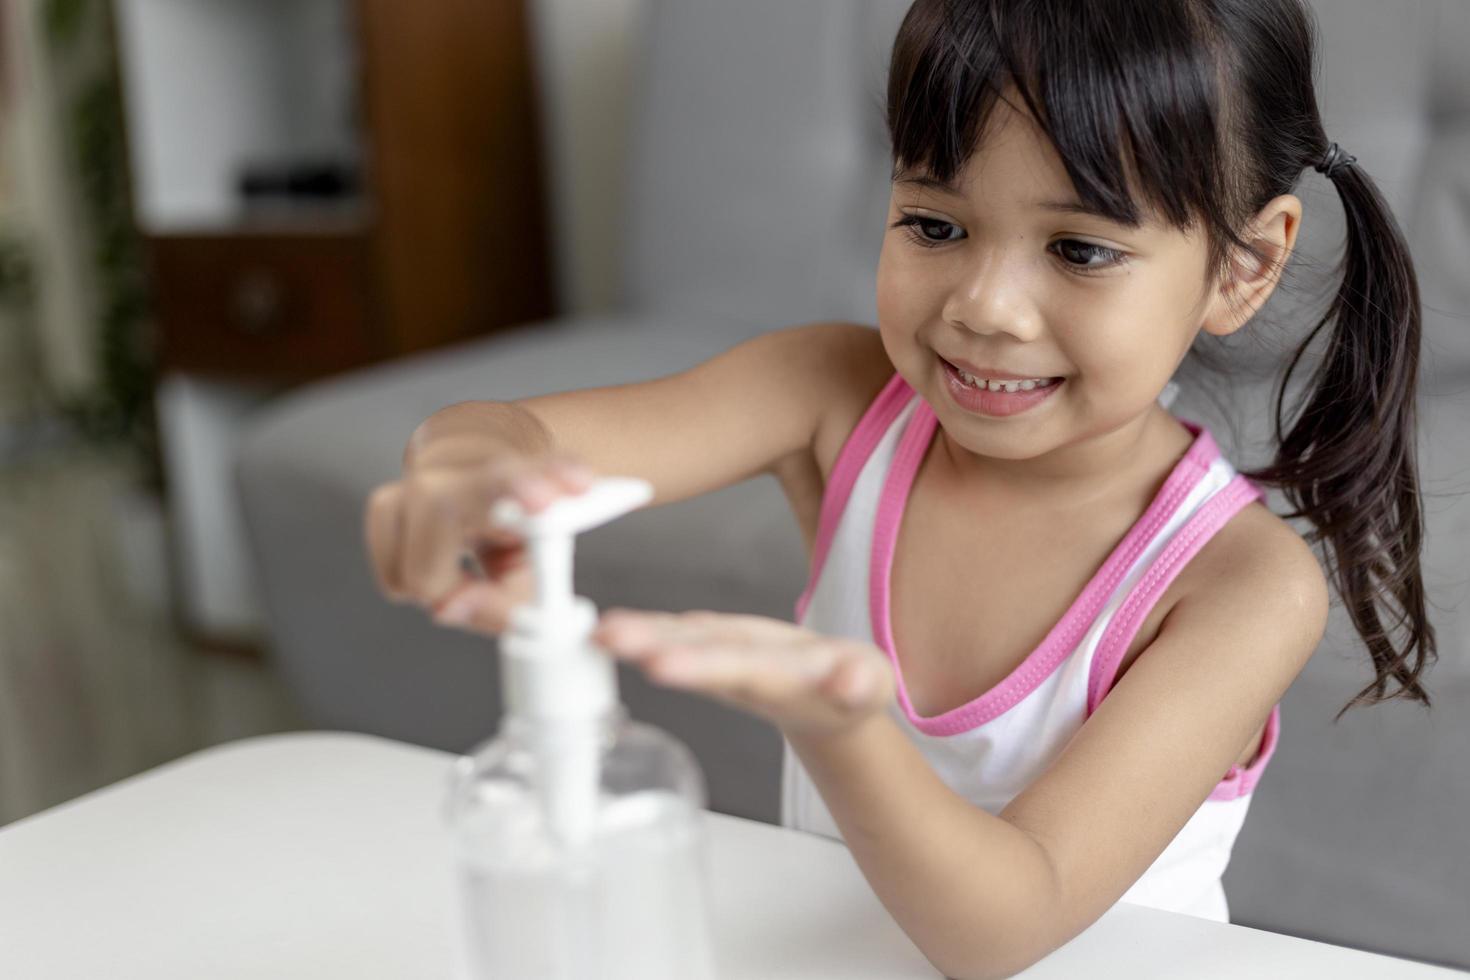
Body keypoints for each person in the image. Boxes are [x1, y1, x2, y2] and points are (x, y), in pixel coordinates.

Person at [364, 0, 1436, 975]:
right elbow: (529, 437)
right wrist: (465, 468)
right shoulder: (833, 394)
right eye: (935, 225)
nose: (987, 306)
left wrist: (841, 727)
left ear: (1243, 267)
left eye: (1078, 248)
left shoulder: (1240, 586)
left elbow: (1007, 920)